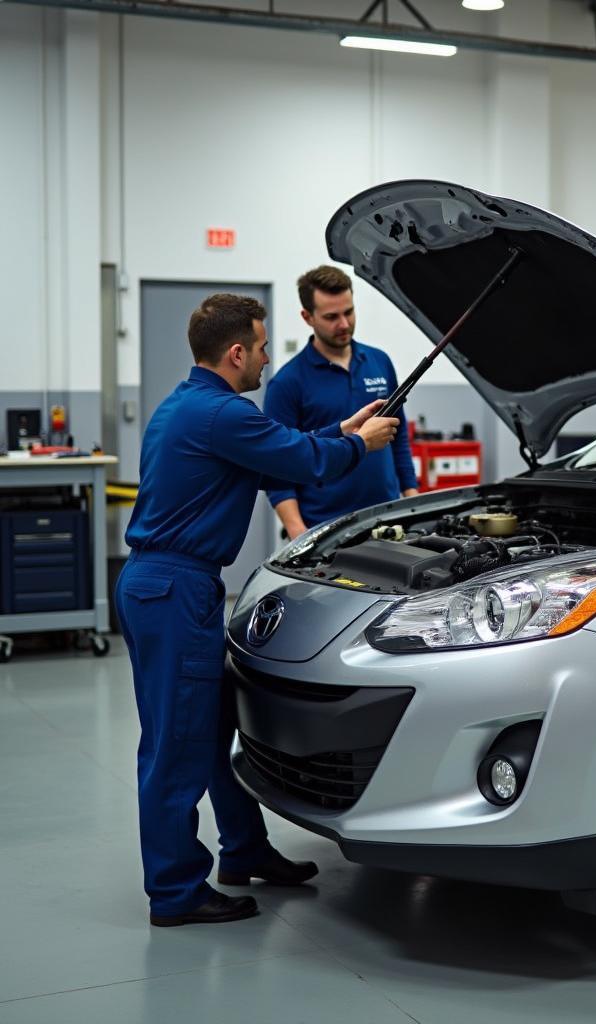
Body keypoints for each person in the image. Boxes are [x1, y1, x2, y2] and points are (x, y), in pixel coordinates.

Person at [116, 293, 398, 927]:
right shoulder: (222, 414)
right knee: (176, 745)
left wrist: (345, 429)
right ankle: (175, 893)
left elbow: (285, 445)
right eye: (263, 348)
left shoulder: (189, 406)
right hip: (176, 589)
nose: (269, 360)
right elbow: (303, 463)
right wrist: (363, 447)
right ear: (236, 352)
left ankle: (243, 850)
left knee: (209, 730)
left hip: (163, 586)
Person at [264, 265, 419, 540]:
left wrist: (412, 501)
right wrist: (298, 532)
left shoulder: (379, 362)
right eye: (331, 317)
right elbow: (277, 466)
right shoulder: (287, 382)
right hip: (324, 529)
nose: (344, 324)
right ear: (307, 317)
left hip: (386, 519)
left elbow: (399, 438)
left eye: (348, 312)